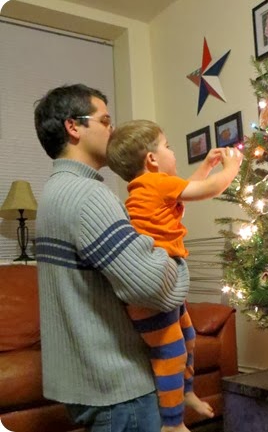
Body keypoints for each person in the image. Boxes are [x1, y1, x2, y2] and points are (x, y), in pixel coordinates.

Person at [33, 84, 190, 432]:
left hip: (85, 384)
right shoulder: (88, 196)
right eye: (104, 120)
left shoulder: (54, 193)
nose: (113, 129)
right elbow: (154, 289)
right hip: (118, 388)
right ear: (73, 127)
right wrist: (179, 262)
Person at [106, 119, 243, 432]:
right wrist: (230, 168)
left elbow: (183, 192)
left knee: (188, 338)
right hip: (153, 290)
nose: (172, 152)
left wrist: (206, 166)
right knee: (170, 351)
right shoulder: (154, 184)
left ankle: (187, 392)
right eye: (167, 146)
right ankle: (172, 423)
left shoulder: (146, 188)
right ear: (151, 160)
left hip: (163, 285)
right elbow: (205, 191)